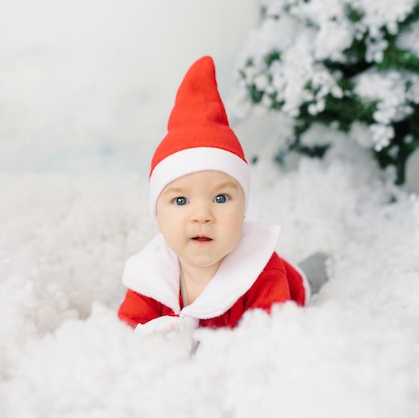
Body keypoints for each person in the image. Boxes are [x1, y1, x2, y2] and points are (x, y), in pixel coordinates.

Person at [117, 56, 312, 337]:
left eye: (220, 199)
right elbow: (126, 335)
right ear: (157, 216)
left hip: (293, 285)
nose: (202, 216)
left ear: (244, 210)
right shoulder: (151, 275)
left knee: (312, 276)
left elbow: (271, 341)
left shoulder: (261, 272)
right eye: (180, 201)